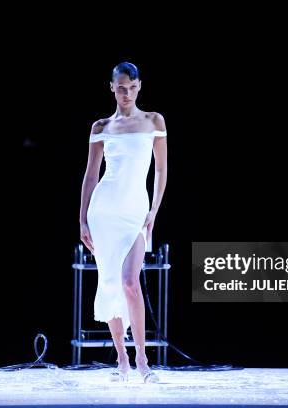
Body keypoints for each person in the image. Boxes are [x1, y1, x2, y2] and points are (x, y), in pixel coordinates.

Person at [79, 62, 168, 383]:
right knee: (111, 283)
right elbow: (91, 174)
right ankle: (122, 360)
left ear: (139, 86)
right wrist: (82, 220)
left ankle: (143, 360)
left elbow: (160, 169)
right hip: (104, 211)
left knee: (131, 282)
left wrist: (154, 211)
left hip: (135, 212)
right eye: (120, 87)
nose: (126, 93)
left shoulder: (153, 121)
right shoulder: (101, 126)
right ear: (112, 88)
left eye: (131, 87)